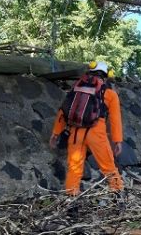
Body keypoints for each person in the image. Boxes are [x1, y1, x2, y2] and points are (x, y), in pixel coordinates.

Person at [49, 61, 124, 195]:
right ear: (106, 76)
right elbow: (115, 120)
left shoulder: (76, 88)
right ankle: (119, 196)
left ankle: (70, 200)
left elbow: (63, 111)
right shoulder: (110, 94)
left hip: (75, 132)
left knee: (74, 168)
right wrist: (117, 141)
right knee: (108, 167)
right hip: (96, 133)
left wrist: (55, 133)